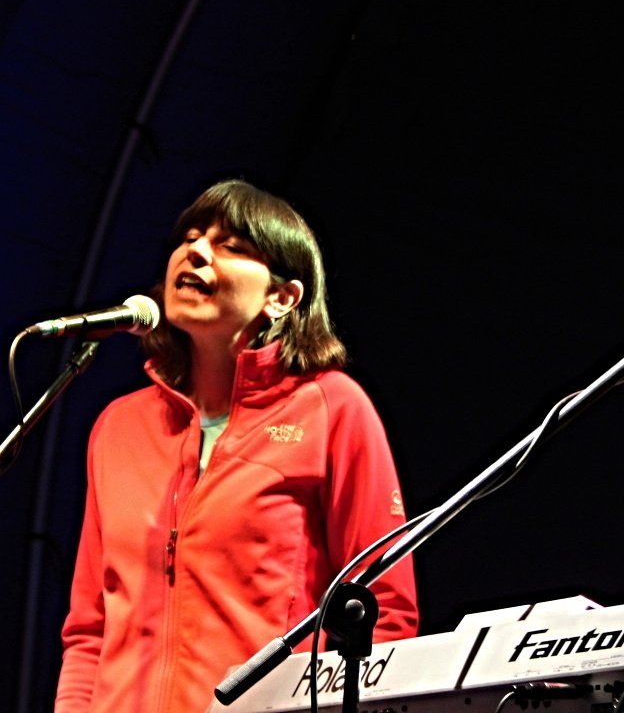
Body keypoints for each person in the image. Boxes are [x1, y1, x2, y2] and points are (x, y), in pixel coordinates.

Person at [54, 179, 420, 712]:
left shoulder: (332, 408)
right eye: (190, 238)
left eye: (230, 246)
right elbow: (89, 628)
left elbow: (384, 612)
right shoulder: (118, 426)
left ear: (282, 298)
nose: (196, 251)